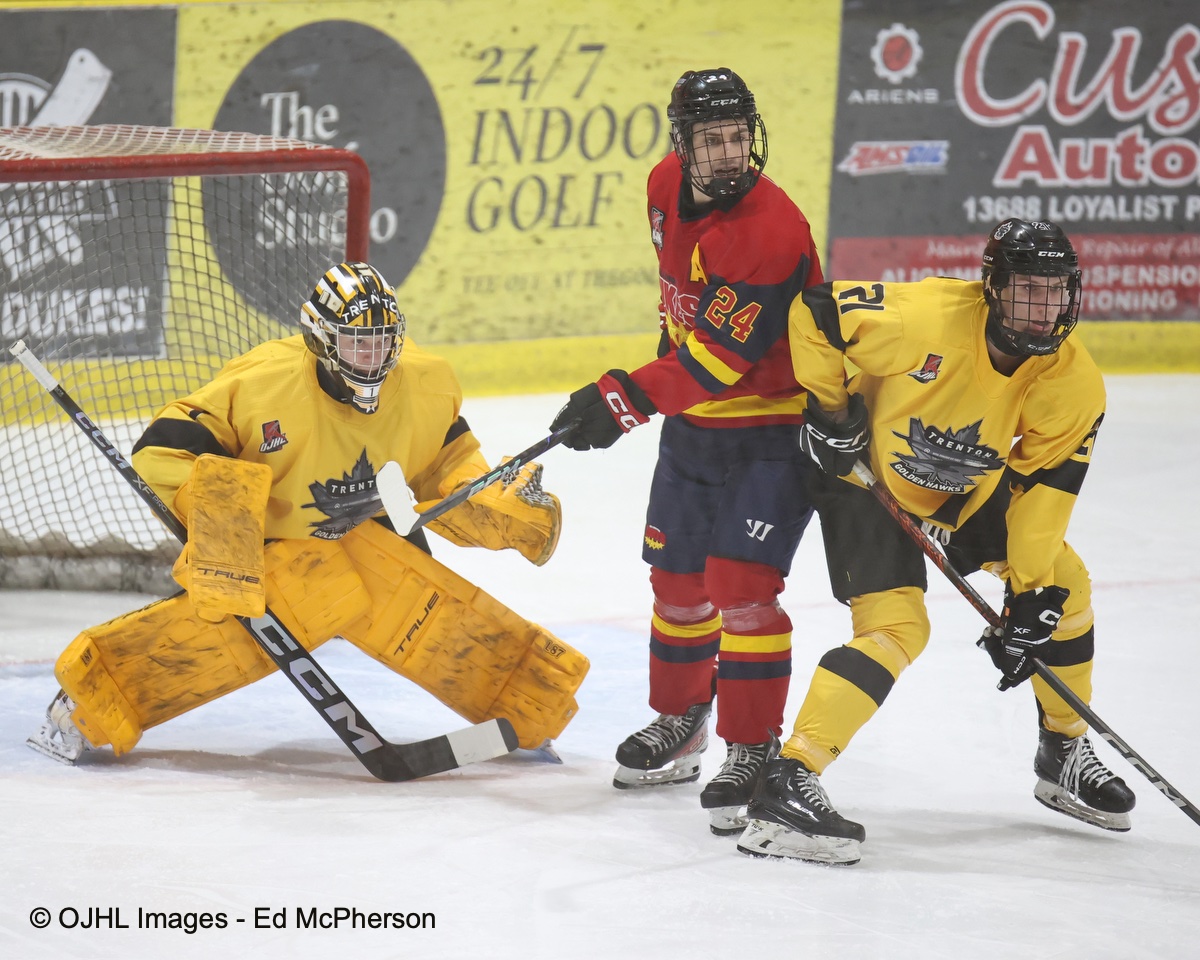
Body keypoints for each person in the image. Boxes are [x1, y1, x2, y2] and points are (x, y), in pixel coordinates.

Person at [27, 261, 589, 766]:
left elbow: (446, 459)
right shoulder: (262, 383)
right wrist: (222, 525)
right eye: (357, 344)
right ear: (320, 338)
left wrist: (479, 495)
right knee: (228, 635)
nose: (374, 358)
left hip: (371, 536)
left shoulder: (427, 382)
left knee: (429, 622)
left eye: (383, 342)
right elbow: (162, 449)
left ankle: (531, 702)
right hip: (277, 551)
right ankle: (86, 708)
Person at [736, 219, 1136, 865]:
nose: (1045, 309)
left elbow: (1041, 500)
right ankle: (790, 777)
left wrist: (1029, 598)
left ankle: (1063, 749)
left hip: (967, 487)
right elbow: (816, 311)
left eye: (1056, 291)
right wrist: (831, 410)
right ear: (992, 288)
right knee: (898, 628)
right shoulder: (923, 318)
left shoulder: (1072, 381)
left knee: (1063, 583)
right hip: (865, 474)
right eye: (1028, 290)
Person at [548, 68, 824, 835]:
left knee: (742, 590)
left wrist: (624, 397)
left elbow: (717, 361)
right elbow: (680, 310)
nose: (730, 153)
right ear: (683, 143)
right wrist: (648, 385)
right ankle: (683, 723)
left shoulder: (772, 232)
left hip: (772, 429)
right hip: (695, 428)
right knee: (675, 583)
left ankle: (752, 747)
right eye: (713, 139)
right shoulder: (662, 186)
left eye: (739, 136)